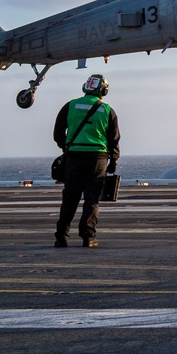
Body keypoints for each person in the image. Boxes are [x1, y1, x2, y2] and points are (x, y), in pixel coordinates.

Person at [53, 73, 120, 248]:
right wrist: (113, 162)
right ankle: (88, 237)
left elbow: (58, 133)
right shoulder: (107, 110)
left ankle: (61, 237)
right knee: (92, 199)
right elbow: (114, 140)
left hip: (74, 157)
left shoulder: (70, 105)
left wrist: (66, 148)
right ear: (103, 90)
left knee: (70, 198)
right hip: (97, 159)